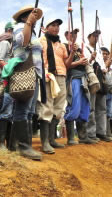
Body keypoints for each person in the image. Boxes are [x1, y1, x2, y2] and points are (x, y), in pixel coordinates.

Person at [2, 5, 43, 160]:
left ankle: (14, 145)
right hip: (24, 71)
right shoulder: (20, 27)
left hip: (33, 73)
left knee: (26, 110)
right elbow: (23, 43)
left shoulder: (31, 31)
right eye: (32, 15)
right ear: (25, 17)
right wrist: (28, 24)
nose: (35, 18)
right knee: (22, 109)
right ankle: (24, 147)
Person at [38, 18, 74, 154]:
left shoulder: (62, 45)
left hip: (61, 76)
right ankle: (45, 142)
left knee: (59, 108)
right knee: (47, 106)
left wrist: (71, 54)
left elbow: (67, 64)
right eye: (53, 25)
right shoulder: (40, 42)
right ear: (46, 28)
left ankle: (52, 139)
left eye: (58, 26)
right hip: (48, 76)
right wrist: (43, 72)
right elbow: (37, 59)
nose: (56, 28)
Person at [63, 30, 95, 145]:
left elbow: (84, 64)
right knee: (74, 105)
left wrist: (89, 60)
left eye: (75, 34)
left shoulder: (79, 49)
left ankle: (83, 136)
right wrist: (79, 62)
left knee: (85, 106)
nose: (74, 36)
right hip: (73, 78)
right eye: (71, 34)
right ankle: (71, 138)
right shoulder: (64, 46)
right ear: (66, 35)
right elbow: (65, 65)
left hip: (83, 79)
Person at [84, 31, 111, 142]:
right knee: (91, 107)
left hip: (101, 79)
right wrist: (91, 58)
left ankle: (101, 132)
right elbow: (85, 64)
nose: (96, 38)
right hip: (92, 79)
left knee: (102, 108)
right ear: (89, 37)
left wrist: (105, 68)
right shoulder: (85, 48)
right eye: (94, 36)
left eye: (97, 36)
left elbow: (104, 67)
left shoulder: (100, 52)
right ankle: (91, 133)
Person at [0, 22, 15, 151]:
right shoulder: (5, 42)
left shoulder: (10, 44)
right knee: (6, 108)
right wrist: (10, 72)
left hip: (10, 79)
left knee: (11, 110)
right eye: (11, 31)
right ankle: (0, 144)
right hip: (4, 78)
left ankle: (10, 144)